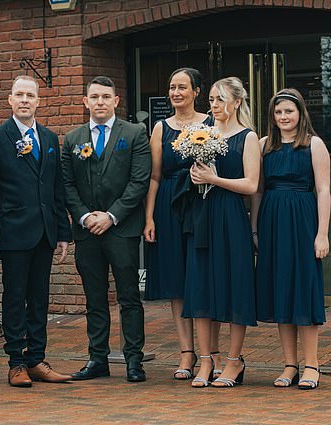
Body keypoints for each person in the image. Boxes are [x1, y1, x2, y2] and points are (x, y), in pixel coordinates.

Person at [0, 75, 73, 387]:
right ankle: (16, 362)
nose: (24, 100)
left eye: (29, 96)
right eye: (18, 95)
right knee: (15, 297)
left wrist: (63, 232)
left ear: (37, 101)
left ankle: (36, 359)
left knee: (40, 298)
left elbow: (56, 188)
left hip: (45, 232)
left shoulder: (48, 138)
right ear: (9, 100)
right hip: (15, 232)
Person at [62, 76, 151, 382]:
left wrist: (111, 216)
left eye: (105, 97)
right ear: (85, 102)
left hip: (121, 229)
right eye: (94, 97)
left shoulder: (135, 133)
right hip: (87, 232)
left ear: (116, 101)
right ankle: (97, 358)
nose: (100, 101)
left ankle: (134, 360)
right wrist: (86, 217)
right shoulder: (73, 139)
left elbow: (139, 181)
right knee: (94, 298)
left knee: (129, 297)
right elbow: (67, 184)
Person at [143, 68, 224, 380]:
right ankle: (186, 353)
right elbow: (154, 175)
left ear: (196, 91)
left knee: (202, 276)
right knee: (176, 278)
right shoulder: (160, 128)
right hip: (168, 203)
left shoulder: (211, 124)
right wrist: (149, 217)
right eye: (172, 87)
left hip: (202, 203)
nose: (175, 93)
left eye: (182, 87)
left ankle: (210, 352)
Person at [184, 76, 260, 388]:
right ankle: (204, 361)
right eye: (212, 99)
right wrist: (195, 177)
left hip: (231, 216)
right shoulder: (202, 134)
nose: (213, 105)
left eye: (220, 99)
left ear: (237, 102)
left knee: (235, 285)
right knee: (201, 285)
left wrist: (215, 180)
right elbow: (196, 178)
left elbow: (251, 185)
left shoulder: (248, 137)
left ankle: (233, 361)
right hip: (204, 215)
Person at [252, 89, 330, 390]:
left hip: (302, 222)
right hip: (272, 222)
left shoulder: (314, 145)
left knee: (304, 290)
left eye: (289, 111)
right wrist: (255, 229)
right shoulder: (263, 146)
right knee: (281, 289)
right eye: (279, 112)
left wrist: (321, 234)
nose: (284, 117)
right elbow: (258, 191)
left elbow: (323, 190)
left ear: (300, 114)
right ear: (273, 116)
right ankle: (289, 365)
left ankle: (312, 364)